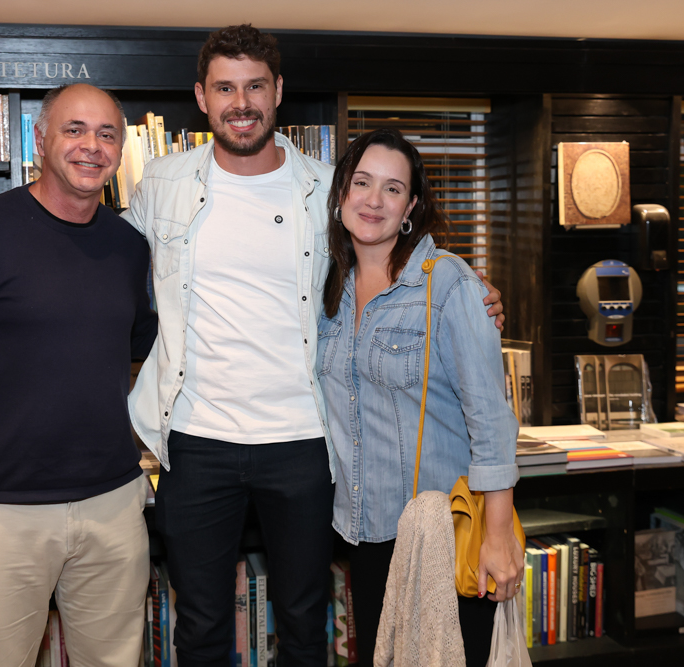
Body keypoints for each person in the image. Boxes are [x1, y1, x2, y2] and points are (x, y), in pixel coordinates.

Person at [124, 25, 505, 666]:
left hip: (302, 442)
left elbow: (390, 256)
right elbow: (110, 268)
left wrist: (473, 291)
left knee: (307, 623)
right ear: (201, 96)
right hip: (192, 439)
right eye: (224, 87)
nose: (239, 102)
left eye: (254, 86)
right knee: (200, 623)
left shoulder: (328, 188)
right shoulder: (161, 183)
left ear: (278, 92)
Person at [0, 83, 157, 667]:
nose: (91, 146)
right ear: (40, 140)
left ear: (119, 150)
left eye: (107, 134)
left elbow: (142, 342)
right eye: (74, 130)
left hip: (113, 505)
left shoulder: (128, 247)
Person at [317, 128, 523, 667]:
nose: (373, 200)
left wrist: (497, 536)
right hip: (363, 532)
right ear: (340, 193)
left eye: (392, 189)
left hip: (442, 533)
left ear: (410, 206)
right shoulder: (325, 291)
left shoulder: (449, 283)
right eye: (361, 182)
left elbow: (490, 418)